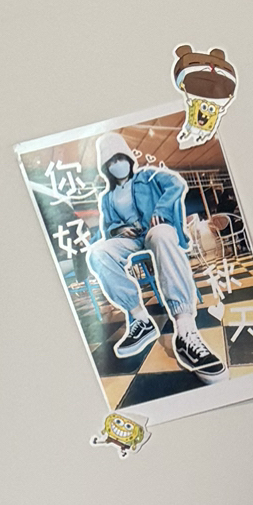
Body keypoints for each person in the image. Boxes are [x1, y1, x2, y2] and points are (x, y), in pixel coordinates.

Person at [86, 133, 220, 379]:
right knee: (97, 252)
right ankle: (140, 318)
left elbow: (176, 184)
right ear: (106, 167)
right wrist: (118, 230)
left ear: (128, 158)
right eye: (111, 161)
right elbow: (108, 228)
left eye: (120, 158)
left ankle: (185, 328)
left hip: (154, 229)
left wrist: (161, 210)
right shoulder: (107, 198)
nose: (117, 164)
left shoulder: (148, 176)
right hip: (131, 240)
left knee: (161, 234)